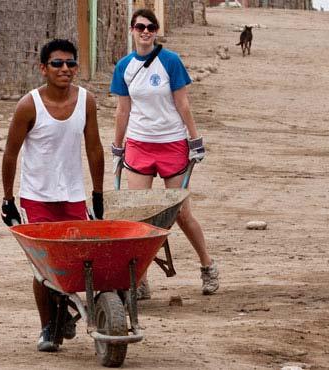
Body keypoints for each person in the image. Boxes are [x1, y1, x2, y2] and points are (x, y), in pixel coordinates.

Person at [1, 39, 105, 352]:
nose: (65, 69)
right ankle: (49, 325)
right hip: (37, 198)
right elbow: (10, 154)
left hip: (72, 196)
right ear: (43, 68)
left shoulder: (86, 101)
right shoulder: (28, 105)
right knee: (44, 266)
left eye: (71, 63)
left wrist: (97, 194)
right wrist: (8, 199)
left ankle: (67, 311)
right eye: (57, 64)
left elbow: (95, 148)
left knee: (78, 261)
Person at [110, 9, 219, 298]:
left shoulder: (170, 61)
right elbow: (123, 109)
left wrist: (195, 140)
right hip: (139, 144)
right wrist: (117, 147)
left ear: (156, 31)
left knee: (181, 212)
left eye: (151, 27)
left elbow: (183, 104)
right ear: (132, 30)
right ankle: (140, 280)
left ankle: (207, 265)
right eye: (140, 27)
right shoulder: (124, 66)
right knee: (139, 216)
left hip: (171, 143)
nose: (145, 32)